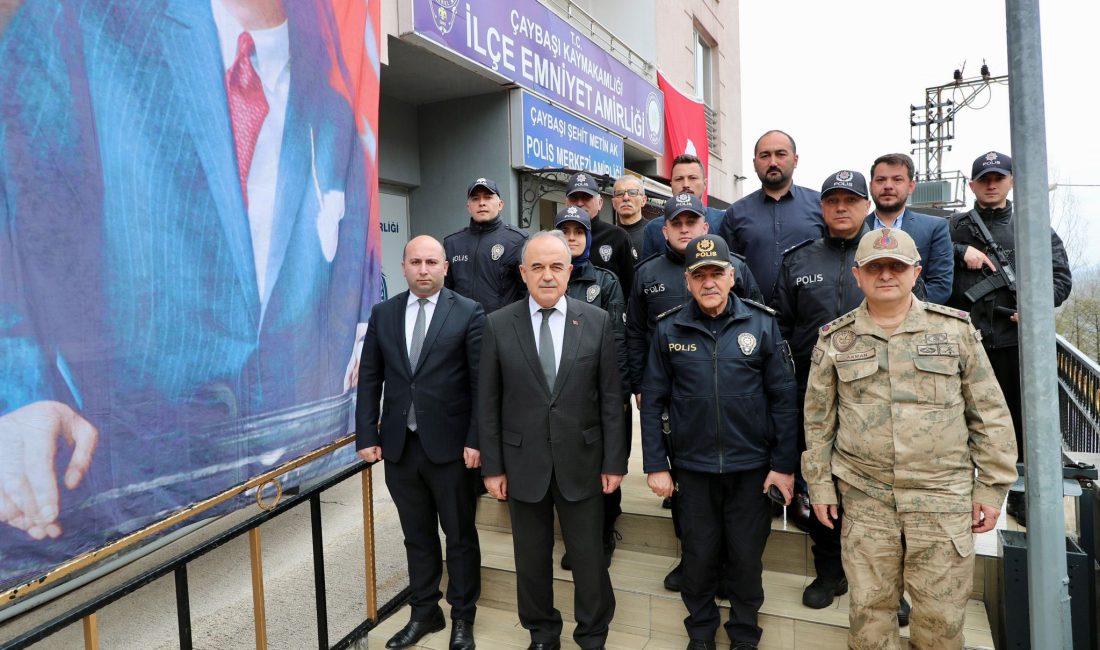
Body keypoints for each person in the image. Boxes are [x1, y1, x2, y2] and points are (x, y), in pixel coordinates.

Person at [0, 0, 371, 584]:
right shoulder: (76, 26)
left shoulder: (333, 115)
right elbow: (17, 227)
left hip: (275, 492)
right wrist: (18, 392)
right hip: (111, 502)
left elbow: (348, 278)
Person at [802, 227, 1017, 650]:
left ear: (915, 272)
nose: (886, 275)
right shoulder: (835, 340)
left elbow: (989, 413)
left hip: (941, 500)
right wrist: (821, 484)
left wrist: (991, 489)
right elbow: (818, 421)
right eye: (875, 267)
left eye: (896, 266)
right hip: (866, 499)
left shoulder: (954, 332)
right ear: (857, 275)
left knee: (940, 620)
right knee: (869, 614)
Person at [642, 233, 798, 650]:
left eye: (716, 273)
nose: (709, 282)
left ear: (732, 276)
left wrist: (783, 467)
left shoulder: (761, 323)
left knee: (746, 560)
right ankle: (701, 634)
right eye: (700, 275)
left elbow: (784, 401)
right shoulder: (668, 328)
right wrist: (656, 463)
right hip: (692, 470)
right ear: (688, 282)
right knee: (697, 558)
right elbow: (652, 399)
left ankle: (745, 636)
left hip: (751, 469)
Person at [479, 231, 627, 650]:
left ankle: (593, 632)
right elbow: (487, 403)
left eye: (556, 266)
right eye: (538, 267)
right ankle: (542, 633)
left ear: (570, 271)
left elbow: (612, 400)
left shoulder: (595, 321)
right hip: (522, 464)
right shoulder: (497, 324)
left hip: (583, 461)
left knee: (588, 558)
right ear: (523, 273)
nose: (547, 276)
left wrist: (614, 461)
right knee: (530, 560)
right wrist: (493, 467)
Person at [625, 193, 761, 592]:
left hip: (730, 401)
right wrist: (639, 387)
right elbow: (634, 332)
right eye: (676, 223)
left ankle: (730, 569)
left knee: (727, 499)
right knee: (686, 492)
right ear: (664, 230)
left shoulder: (736, 268)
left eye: (692, 221)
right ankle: (692, 562)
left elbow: (757, 323)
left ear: (706, 226)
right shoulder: (647, 273)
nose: (684, 228)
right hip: (673, 395)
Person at [356, 236, 484, 650]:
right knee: (417, 535)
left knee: (460, 536)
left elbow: (482, 384)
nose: (423, 269)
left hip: (452, 449)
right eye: (416, 262)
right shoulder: (384, 313)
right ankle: (425, 611)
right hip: (400, 448)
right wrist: (366, 434)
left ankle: (463, 616)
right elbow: (371, 377)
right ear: (405, 265)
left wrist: (476, 439)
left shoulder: (467, 312)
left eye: (432, 262)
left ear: (446, 267)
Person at [946, 151, 1072, 524]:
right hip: (964, 345)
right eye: (983, 179)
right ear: (971, 185)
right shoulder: (952, 227)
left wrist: (1032, 309)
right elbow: (923, 254)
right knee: (959, 422)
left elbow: (1060, 280)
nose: (991, 184)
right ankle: (962, 493)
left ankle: (1017, 494)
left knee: (1018, 424)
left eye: (998, 177)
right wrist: (958, 251)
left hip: (1013, 345)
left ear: (1011, 181)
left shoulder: (1034, 226)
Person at [770, 170, 870, 610]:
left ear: (866, 206)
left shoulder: (885, 257)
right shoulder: (799, 259)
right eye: (833, 201)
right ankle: (829, 572)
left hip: (874, 395)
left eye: (851, 200)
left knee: (874, 491)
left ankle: (880, 581)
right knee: (819, 485)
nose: (842, 208)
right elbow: (782, 329)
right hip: (813, 394)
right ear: (823, 208)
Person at [555, 206, 630, 568]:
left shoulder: (605, 281)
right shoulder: (550, 279)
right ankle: (576, 536)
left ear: (588, 237)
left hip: (596, 393)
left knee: (602, 467)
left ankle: (604, 533)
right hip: (559, 398)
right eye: (564, 231)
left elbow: (615, 340)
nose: (571, 238)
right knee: (569, 470)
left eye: (578, 232)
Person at [719, 130, 824, 303]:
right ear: (754, 163)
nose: (773, 162)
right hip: (752, 319)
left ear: (795, 160)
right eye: (765, 156)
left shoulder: (820, 206)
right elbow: (726, 268)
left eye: (780, 154)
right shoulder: (736, 213)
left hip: (809, 317)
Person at [866, 153, 954, 304]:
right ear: (871, 185)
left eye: (897, 179)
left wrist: (900, 314)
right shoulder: (857, 229)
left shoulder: (934, 228)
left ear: (911, 186)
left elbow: (940, 287)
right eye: (881, 180)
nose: (888, 186)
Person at [444, 177, 528, 314]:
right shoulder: (452, 243)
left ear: (500, 204)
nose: (481, 203)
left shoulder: (517, 241)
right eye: (475, 199)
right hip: (462, 329)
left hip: (501, 328)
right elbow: (445, 291)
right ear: (468, 207)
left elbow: (526, 290)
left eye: (488, 197)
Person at [641, 154, 724, 258]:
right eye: (679, 179)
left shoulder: (723, 221)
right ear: (671, 185)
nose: (686, 184)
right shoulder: (653, 228)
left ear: (705, 183)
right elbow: (647, 271)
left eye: (692, 178)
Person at [565, 172, 636, 293]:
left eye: (586, 197)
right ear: (566, 202)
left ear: (600, 203)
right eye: (574, 197)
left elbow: (631, 288)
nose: (580, 203)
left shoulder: (617, 237)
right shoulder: (555, 238)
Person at [612, 175, 650, 256]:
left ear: (643, 200)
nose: (626, 198)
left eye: (632, 193)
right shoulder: (608, 236)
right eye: (619, 193)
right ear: (613, 203)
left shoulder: (654, 233)